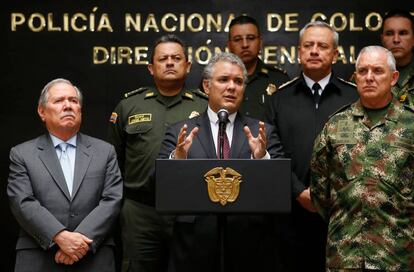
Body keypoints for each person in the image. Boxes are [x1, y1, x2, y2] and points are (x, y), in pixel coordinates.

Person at [158, 52, 284, 272]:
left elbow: (281, 187)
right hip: (193, 246)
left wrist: (261, 157)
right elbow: (157, 184)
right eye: (223, 80)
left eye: (238, 81)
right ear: (207, 87)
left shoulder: (262, 132)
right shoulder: (181, 131)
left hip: (249, 246)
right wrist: (177, 159)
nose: (232, 87)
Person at [108, 34, 208, 272]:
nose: (170, 63)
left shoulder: (204, 106)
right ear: (151, 68)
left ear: (188, 66)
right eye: (163, 59)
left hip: (191, 210)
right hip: (140, 211)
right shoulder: (129, 106)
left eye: (176, 58)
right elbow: (114, 162)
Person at [310, 45, 414, 271]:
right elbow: (320, 194)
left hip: (397, 257)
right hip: (345, 256)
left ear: (393, 77)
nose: (369, 78)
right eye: (363, 71)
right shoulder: (336, 126)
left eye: (377, 71)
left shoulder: (411, 124)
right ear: (355, 77)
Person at [265, 21, 358, 271]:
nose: (314, 51)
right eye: (308, 45)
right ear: (299, 51)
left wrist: (331, 195)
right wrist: (298, 191)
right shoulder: (279, 99)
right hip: (291, 213)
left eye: (322, 46)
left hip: (343, 212)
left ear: (335, 54)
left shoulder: (354, 97)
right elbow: (271, 152)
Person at [7, 78, 123, 271]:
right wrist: (60, 236)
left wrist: (79, 243)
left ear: (80, 110)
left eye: (74, 101)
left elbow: (112, 199)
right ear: (42, 112)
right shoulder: (22, 154)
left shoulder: (105, 151)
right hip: (39, 256)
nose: (68, 105)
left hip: (94, 255)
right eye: (59, 100)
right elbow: (22, 201)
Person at [227, 15, 290, 121]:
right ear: (229, 45)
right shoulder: (216, 80)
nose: (245, 44)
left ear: (260, 42)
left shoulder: (279, 79)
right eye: (238, 39)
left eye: (251, 38)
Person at [381, 10, 414, 102]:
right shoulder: (368, 76)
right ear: (382, 39)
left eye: (403, 33)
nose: (396, 40)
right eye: (389, 33)